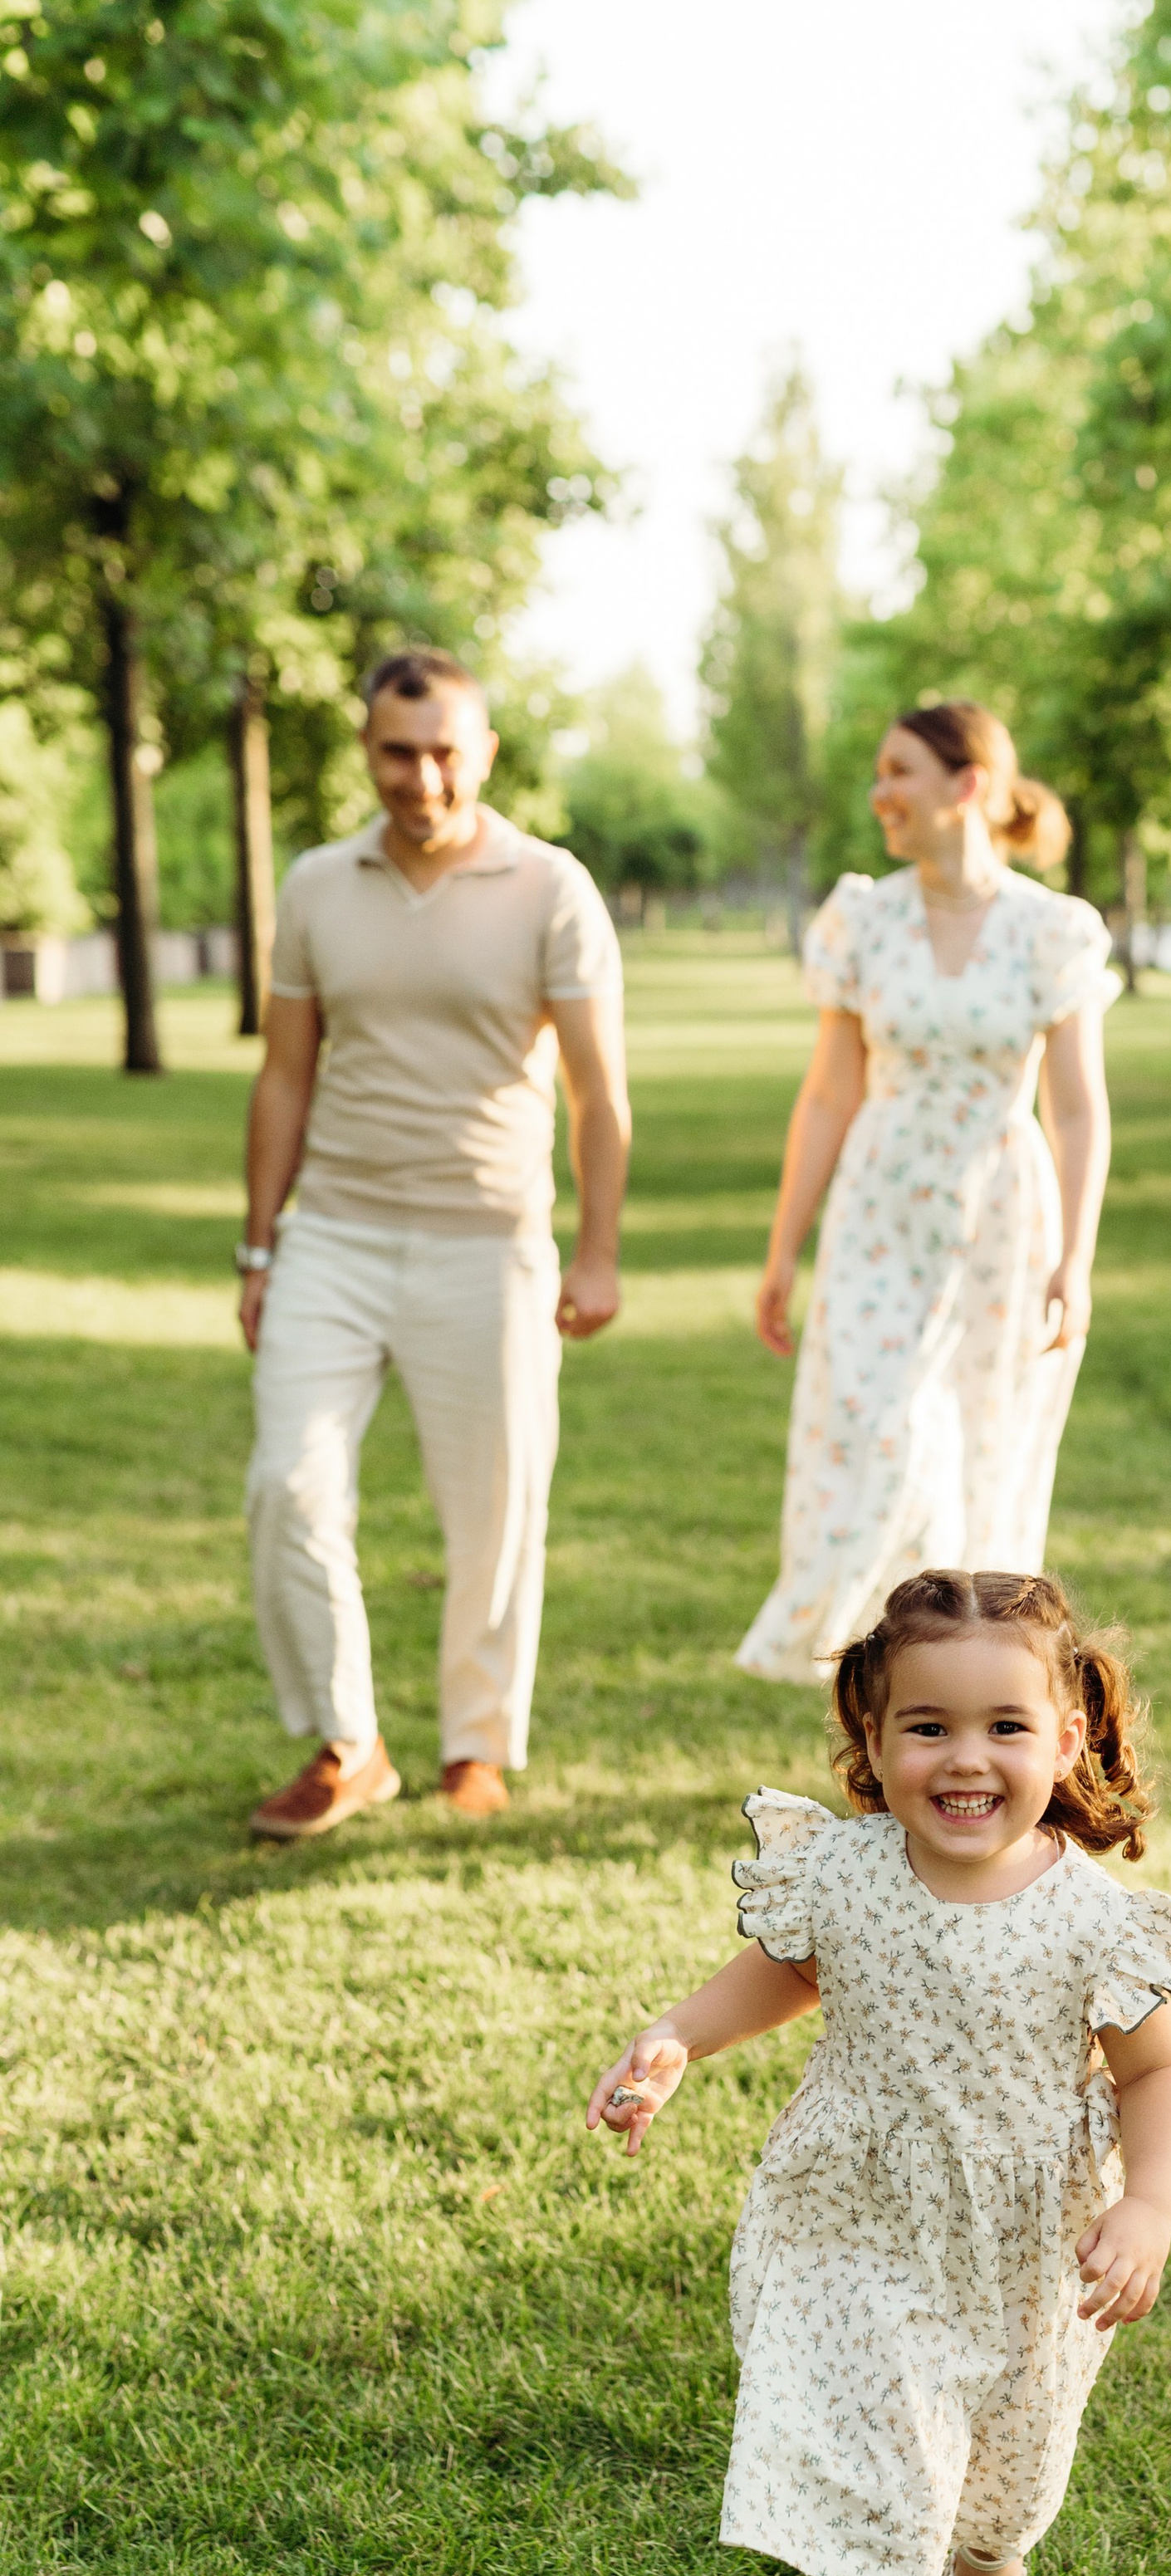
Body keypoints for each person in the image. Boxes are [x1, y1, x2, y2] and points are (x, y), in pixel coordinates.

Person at [586, 1568, 1171, 2576]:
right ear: (871, 1740)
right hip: (857, 2226)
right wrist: (678, 2037)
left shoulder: (1094, 1918)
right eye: (927, 1726)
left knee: (1006, 2480)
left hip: (1022, 2244)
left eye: (1006, 1726)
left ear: (1068, 1738)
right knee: (888, 2499)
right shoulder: (847, 1869)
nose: (965, 1758)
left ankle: (992, 2549)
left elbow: (1159, 2073)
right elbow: (792, 1969)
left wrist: (1148, 2203)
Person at [237, 649, 630, 1839]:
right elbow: (284, 1076)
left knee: (494, 1509)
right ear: (368, 751)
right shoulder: (317, 883)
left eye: (445, 751)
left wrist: (597, 1251)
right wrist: (259, 1249)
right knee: (288, 1485)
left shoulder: (550, 886)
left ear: (485, 752)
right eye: (398, 752)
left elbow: (598, 1091)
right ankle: (347, 1742)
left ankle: (476, 1742)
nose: (422, 777)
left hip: (488, 1242)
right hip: (334, 1235)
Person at [735, 700, 1120, 1683]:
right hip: (880, 1213)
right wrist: (782, 1251)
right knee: (892, 1443)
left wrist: (1075, 1259)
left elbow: (1077, 1109)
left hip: (1001, 1217)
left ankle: (951, 1698)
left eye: (900, 771)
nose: (881, 792)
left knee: (980, 1459)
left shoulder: (1051, 929)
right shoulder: (862, 920)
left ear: (968, 784)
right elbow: (828, 1095)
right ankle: (884, 1679)